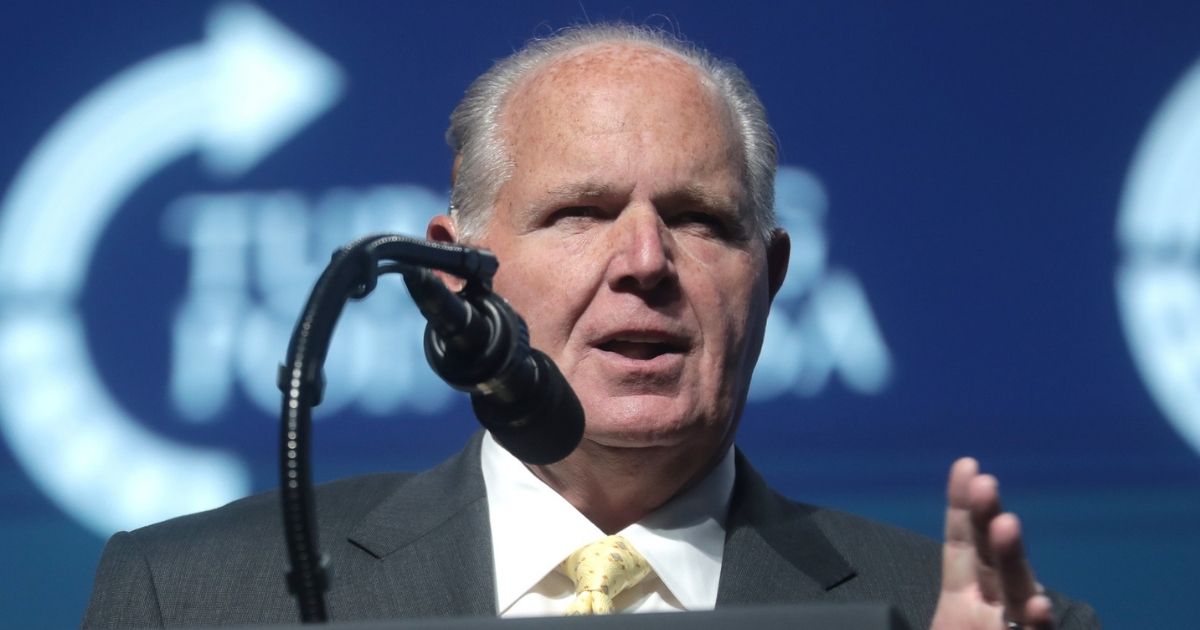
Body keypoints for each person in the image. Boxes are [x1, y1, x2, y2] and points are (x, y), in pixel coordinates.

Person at [83, 23, 1098, 630]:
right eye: (580, 213)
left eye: (700, 220)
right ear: (453, 278)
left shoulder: (947, 618)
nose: (646, 263)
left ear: (770, 275)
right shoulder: (195, 600)